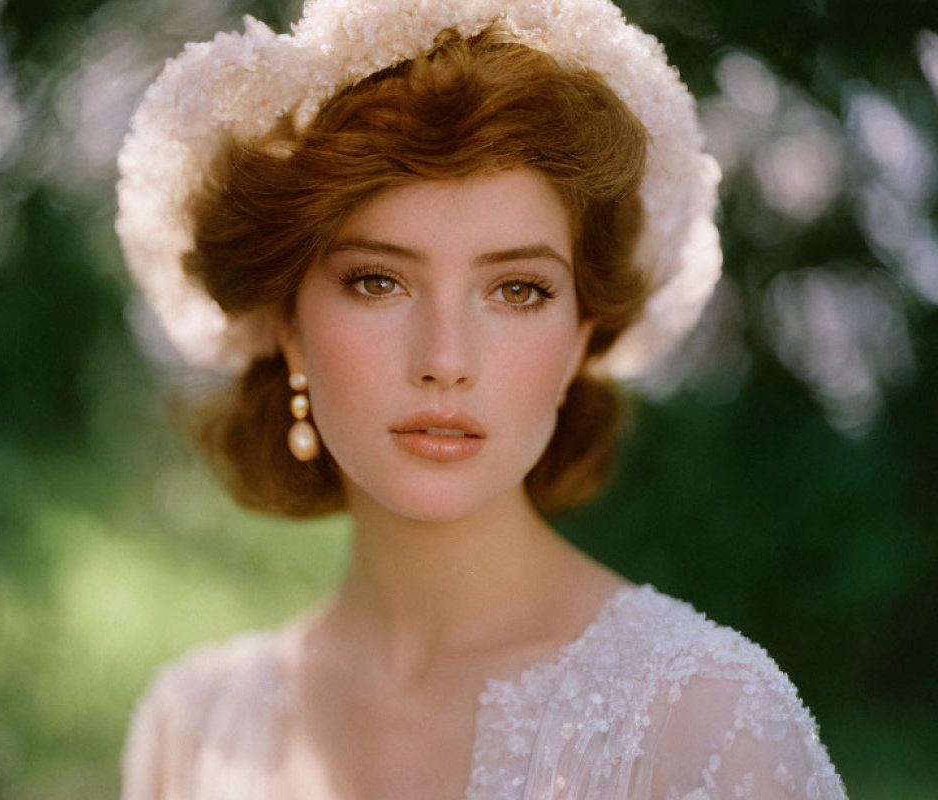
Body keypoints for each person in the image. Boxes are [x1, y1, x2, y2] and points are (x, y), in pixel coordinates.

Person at [115, 0, 848, 798]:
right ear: (288, 328)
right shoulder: (191, 728)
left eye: (518, 290)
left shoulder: (706, 723)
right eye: (378, 281)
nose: (446, 360)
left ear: (578, 343)